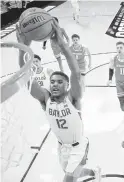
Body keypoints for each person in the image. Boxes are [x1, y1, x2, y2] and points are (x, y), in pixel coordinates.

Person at [16, 19, 101, 182]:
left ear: (67, 85)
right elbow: (25, 76)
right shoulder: (45, 99)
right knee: (75, 174)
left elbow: (75, 71)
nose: (55, 83)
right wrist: (22, 48)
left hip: (79, 147)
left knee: (68, 179)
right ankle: (94, 172)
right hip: (62, 147)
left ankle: (83, 172)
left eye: (59, 81)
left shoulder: (73, 97)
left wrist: (62, 44)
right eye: (52, 81)